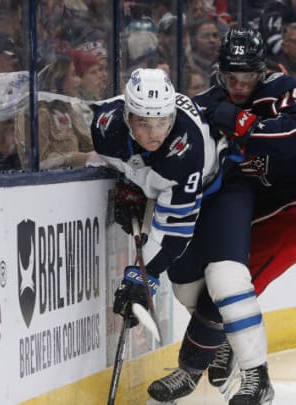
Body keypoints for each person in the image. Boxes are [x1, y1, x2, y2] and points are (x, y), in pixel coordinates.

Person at [150, 27, 296, 403]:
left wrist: (237, 122)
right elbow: (162, 130)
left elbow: (293, 138)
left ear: (261, 71)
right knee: (224, 292)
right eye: (230, 78)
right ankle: (189, 369)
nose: (238, 86)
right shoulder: (207, 101)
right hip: (273, 215)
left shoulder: (284, 88)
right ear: (219, 72)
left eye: (247, 77)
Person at [89, 68, 272, 404]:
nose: (154, 133)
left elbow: (175, 230)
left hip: (222, 189)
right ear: (127, 116)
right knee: (187, 288)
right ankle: (223, 343)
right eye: (144, 122)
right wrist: (132, 182)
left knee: (226, 279)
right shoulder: (105, 126)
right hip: (172, 194)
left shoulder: (185, 147)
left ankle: (257, 377)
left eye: (162, 122)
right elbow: (123, 156)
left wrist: (143, 278)